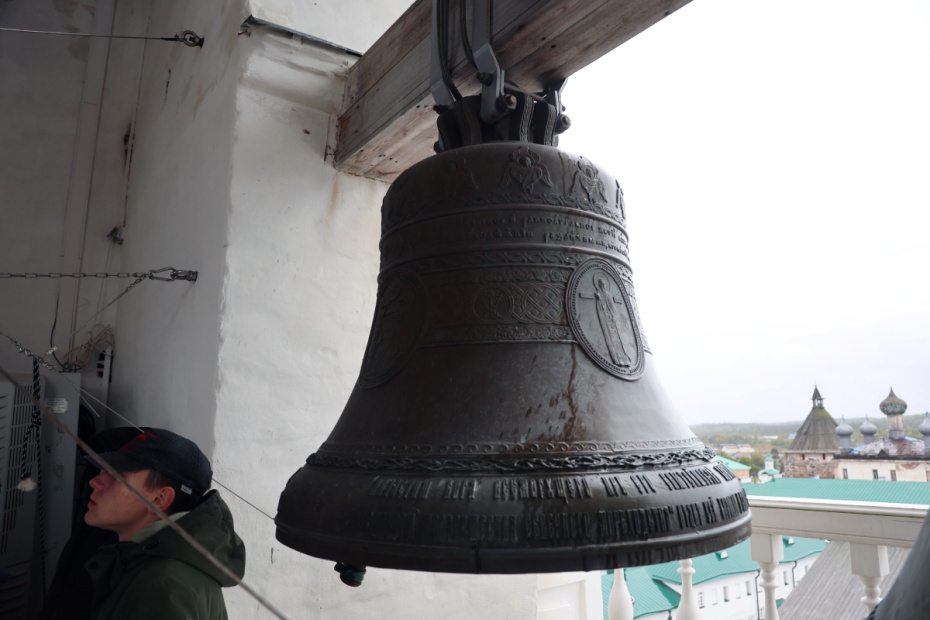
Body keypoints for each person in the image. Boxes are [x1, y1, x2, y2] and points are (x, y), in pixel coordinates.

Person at [79, 427, 245, 619]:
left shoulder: (165, 584)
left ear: (158, 500)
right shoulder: (148, 566)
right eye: (102, 469)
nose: (95, 482)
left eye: (117, 476)